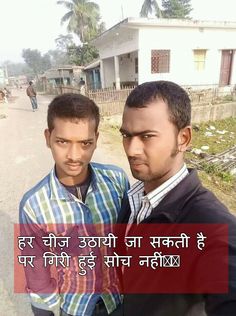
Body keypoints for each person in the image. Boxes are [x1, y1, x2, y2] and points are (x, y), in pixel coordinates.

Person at [118, 80, 236, 316]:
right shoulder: (133, 196)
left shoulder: (211, 227)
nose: (131, 149)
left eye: (147, 136)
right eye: (126, 135)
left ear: (183, 138)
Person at [19, 93, 129, 316]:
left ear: (96, 140)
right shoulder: (34, 206)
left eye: (85, 143)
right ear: (48, 137)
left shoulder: (116, 182)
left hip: (120, 302)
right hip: (75, 308)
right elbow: (37, 274)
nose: (74, 155)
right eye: (62, 142)